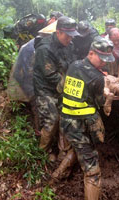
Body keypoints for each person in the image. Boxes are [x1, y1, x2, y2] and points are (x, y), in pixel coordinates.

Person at [60, 36, 114, 199]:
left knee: (79, 147)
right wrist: (107, 94)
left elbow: (61, 87)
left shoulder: (73, 65)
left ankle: (56, 176)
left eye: (107, 59)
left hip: (66, 122)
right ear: (91, 53)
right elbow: (100, 103)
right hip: (81, 125)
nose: (104, 62)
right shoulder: (97, 78)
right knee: (92, 171)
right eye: (102, 58)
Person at [33, 16, 79, 157]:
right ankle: (43, 152)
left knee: (68, 116)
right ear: (58, 32)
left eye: (72, 36)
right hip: (46, 89)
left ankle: (63, 149)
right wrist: (73, 89)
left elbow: (73, 64)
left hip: (62, 85)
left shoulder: (68, 45)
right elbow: (51, 76)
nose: (70, 39)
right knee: (52, 119)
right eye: (67, 36)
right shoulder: (45, 49)